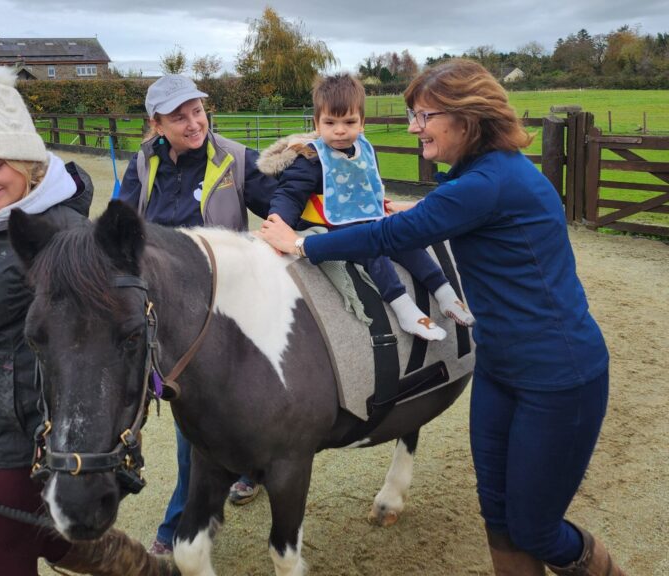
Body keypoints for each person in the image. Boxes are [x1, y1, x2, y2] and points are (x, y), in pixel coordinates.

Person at [259, 59, 624, 576]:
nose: (413, 127)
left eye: (423, 115)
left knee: (536, 528)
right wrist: (398, 213)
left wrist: (297, 242)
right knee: (497, 517)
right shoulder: (478, 176)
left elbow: (390, 237)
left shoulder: (488, 182)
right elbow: (424, 216)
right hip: (499, 369)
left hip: (556, 375)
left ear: (466, 119)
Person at [0, 62, 169, 576]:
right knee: (44, 532)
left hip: (35, 422)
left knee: (2, 551)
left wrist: (66, 434)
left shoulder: (63, 234)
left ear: (26, 161)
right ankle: (141, 568)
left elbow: (87, 347)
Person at [119, 74, 278, 555]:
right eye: (179, 116)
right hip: (162, 308)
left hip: (223, 307)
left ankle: (176, 527)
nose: (194, 123)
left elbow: (283, 205)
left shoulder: (234, 158)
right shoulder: (142, 164)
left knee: (195, 424)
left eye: (197, 110)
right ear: (157, 124)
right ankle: (250, 471)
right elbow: (121, 228)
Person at [261, 73, 473, 340]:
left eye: (349, 121)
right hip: (332, 228)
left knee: (406, 239)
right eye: (330, 122)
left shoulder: (364, 149)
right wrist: (277, 223)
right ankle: (404, 308)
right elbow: (290, 194)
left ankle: (445, 294)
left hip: (368, 221)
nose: (340, 130)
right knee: (373, 250)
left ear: (361, 123)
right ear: (317, 123)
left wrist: (382, 206)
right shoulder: (311, 158)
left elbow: (365, 186)